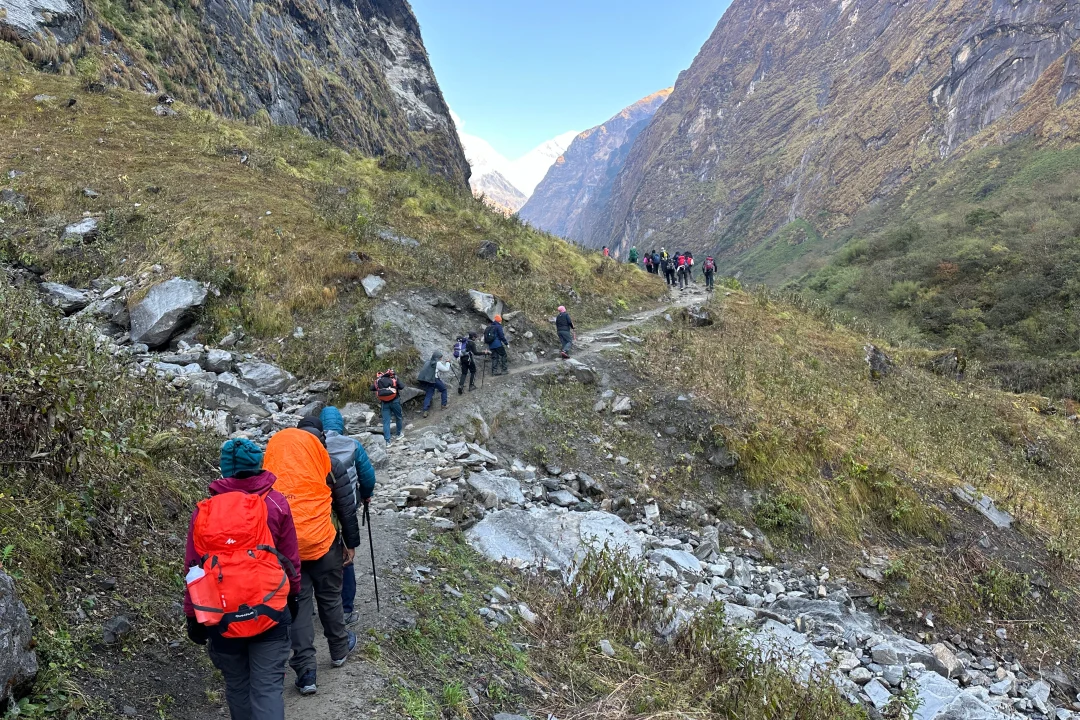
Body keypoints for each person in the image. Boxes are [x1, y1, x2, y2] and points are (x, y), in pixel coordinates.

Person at [184, 439, 301, 720]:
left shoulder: (205, 510)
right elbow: (289, 559)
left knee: (237, 686)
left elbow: (193, 568)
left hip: (220, 615)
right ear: (258, 465)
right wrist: (293, 597)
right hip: (270, 610)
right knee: (268, 688)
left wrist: (193, 616)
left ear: (224, 469)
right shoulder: (275, 502)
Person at [264, 423, 362, 697]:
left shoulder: (270, 468)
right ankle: (339, 650)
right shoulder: (328, 463)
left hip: (287, 549)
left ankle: (306, 673)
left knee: (298, 606)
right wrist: (350, 544)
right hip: (322, 542)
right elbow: (346, 506)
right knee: (330, 597)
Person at [319, 407, 376, 627]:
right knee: (345, 555)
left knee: (320, 550)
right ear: (341, 424)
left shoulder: (313, 446)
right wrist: (366, 495)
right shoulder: (353, 444)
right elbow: (368, 476)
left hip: (319, 508)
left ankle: (319, 606)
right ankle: (346, 608)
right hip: (346, 504)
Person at [373, 369, 404, 446]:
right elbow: (402, 386)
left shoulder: (379, 380)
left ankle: (387, 441)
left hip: (384, 403)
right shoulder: (394, 379)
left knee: (386, 421)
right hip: (395, 401)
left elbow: (372, 388)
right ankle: (399, 434)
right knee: (398, 417)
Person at [417, 351, 449, 418]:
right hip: (435, 380)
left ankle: (425, 410)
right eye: (440, 357)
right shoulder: (438, 363)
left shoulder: (427, 362)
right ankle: (443, 405)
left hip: (428, 381)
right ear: (438, 357)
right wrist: (448, 363)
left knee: (428, 395)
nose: (441, 358)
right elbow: (446, 370)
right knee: (444, 390)